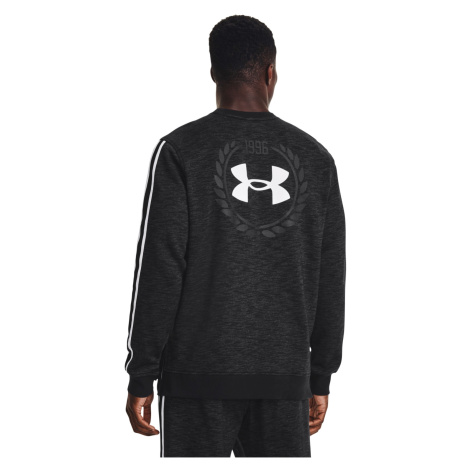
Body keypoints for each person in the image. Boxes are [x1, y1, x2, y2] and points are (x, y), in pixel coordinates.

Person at [125, 14, 346, 458]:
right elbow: (330, 273)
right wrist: (320, 374)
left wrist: (141, 373)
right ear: (270, 72)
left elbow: (160, 266)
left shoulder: (181, 150)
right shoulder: (315, 158)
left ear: (213, 72)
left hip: (196, 379)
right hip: (285, 379)